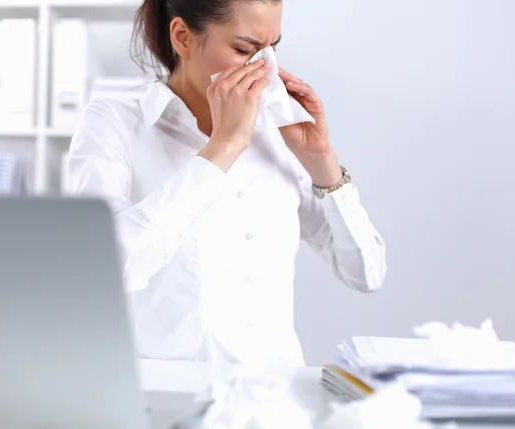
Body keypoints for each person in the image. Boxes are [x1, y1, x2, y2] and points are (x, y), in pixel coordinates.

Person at [68, 0, 387, 366]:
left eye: (272, 49)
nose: (266, 69)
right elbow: (100, 272)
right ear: (183, 38)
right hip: (167, 401)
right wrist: (223, 147)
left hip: (271, 400)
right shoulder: (114, 124)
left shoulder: (279, 134)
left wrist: (323, 162)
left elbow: (366, 273)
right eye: (244, 50)